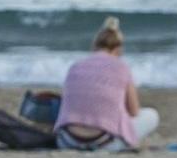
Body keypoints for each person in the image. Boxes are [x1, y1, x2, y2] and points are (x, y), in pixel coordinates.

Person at [55, 16, 160, 151]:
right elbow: (134, 111)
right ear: (118, 48)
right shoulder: (121, 67)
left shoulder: (75, 66)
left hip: (67, 141)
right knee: (152, 115)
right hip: (104, 143)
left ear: (95, 45)